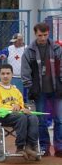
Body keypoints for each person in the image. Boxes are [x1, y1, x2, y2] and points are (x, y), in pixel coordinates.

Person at [21, 22, 62, 156]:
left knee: (60, 120)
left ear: (48, 33)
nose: (43, 38)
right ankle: (44, 147)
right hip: (39, 92)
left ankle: (59, 147)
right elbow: (25, 72)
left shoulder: (57, 48)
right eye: (40, 35)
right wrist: (30, 88)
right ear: (35, 34)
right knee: (41, 121)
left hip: (56, 90)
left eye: (45, 35)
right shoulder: (29, 51)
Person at [0, 64, 40, 160]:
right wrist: (12, 107)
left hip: (18, 114)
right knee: (22, 117)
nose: (5, 76)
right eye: (3, 73)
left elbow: (21, 104)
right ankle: (20, 147)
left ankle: (30, 146)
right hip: (3, 116)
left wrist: (24, 108)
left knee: (33, 117)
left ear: (12, 75)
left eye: (8, 73)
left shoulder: (15, 90)